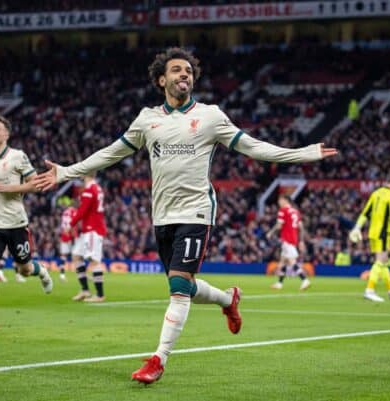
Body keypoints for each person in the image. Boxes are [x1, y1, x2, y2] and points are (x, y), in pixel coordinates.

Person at [32, 47, 337, 384]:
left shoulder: (210, 116)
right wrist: (66, 173)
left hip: (196, 210)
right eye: (177, 70)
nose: (184, 75)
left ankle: (158, 359)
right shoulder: (148, 119)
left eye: (189, 71)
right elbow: (111, 153)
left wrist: (304, 154)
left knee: (178, 286)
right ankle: (227, 299)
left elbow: (254, 147)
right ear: (162, 79)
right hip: (162, 215)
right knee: (184, 285)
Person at [0, 115, 53, 331]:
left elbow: (36, 184)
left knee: (24, 269)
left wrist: (10, 188)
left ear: (6, 134)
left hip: (16, 223)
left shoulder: (18, 157)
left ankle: (40, 271)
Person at [349, 174, 390, 302]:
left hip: (372, 232)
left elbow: (365, 213)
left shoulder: (375, 193)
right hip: (383, 233)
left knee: (384, 262)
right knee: (380, 261)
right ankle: (369, 290)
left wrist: (357, 227)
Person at [70, 173, 107, 303]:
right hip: (89, 229)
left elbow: (82, 210)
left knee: (94, 260)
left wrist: (72, 223)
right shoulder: (96, 188)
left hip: (93, 229)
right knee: (76, 255)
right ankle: (85, 290)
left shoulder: (90, 190)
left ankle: (100, 295)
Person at [266, 196, 310, 291]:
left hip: (287, 239)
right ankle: (279, 283)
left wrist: (270, 232)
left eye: (280, 200)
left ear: (285, 200)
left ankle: (304, 280)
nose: (279, 202)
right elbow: (301, 227)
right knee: (283, 261)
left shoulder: (283, 210)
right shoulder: (296, 211)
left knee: (291, 261)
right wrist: (301, 241)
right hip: (294, 239)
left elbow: (279, 225)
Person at [58, 203, 78, 282]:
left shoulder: (65, 212)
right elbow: (72, 224)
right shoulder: (74, 211)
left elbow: (63, 224)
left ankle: (62, 275)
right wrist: (74, 237)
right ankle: (81, 274)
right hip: (70, 235)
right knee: (77, 256)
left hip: (64, 235)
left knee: (63, 256)